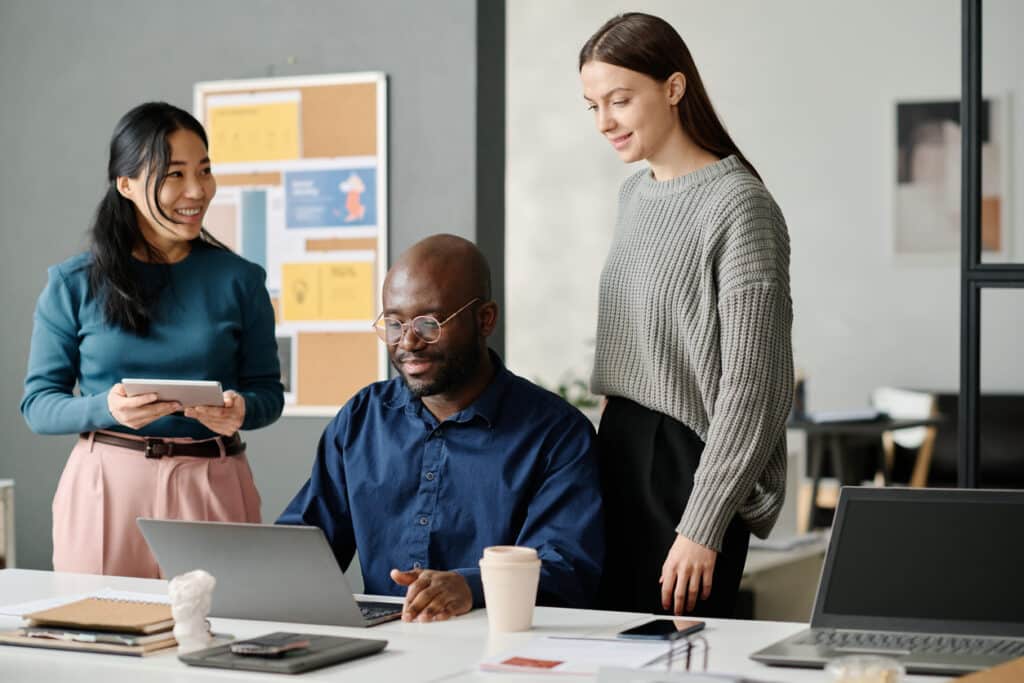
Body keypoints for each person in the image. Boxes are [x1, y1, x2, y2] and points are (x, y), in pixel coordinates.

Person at [580, 13, 793, 617]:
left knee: (679, 658)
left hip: (688, 465)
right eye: (592, 105)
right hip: (618, 449)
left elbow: (754, 385)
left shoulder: (739, 205)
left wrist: (702, 524)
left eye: (620, 100)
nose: (605, 122)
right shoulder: (635, 194)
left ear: (673, 88)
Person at [278, 234, 603, 622]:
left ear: (485, 319)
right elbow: (305, 543)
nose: (409, 342)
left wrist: (470, 586)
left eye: (429, 324)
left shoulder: (556, 434)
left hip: (498, 645)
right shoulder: (362, 418)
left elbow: (566, 567)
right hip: (382, 646)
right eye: (394, 324)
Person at [21, 102, 284, 578]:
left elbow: (268, 392)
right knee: (98, 638)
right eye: (174, 174)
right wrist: (108, 408)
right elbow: (38, 405)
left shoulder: (240, 280)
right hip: (107, 485)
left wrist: (241, 409)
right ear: (126, 185)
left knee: (221, 637)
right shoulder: (73, 283)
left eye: (204, 170)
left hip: (213, 482)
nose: (196, 190)